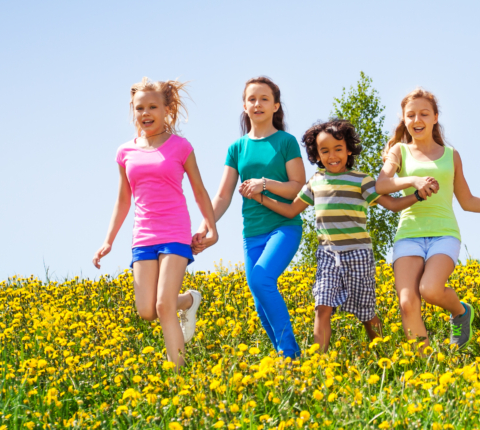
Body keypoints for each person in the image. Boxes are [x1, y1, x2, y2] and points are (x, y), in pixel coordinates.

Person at [253, 119, 420, 353]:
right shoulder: (315, 182)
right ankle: (318, 364)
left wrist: (418, 196)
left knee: (366, 312)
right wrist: (262, 197)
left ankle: (383, 354)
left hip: (359, 255)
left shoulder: (362, 180)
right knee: (322, 306)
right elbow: (291, 210)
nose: (332, 155)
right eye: (325, 151)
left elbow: (392, 205)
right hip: (328, 255)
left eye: (338, 149)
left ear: (349, 150)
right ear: (317, 155)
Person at [92, 78, 217, 368]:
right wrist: (108, 240)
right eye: (139, 108)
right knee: (147, 310)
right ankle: (188, 300)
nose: (145, 113)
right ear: (133, 112)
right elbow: (123, 199)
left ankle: (179, 377)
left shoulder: (180, 146)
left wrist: (211, 226)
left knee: (163, 306)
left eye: (152, 107)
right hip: (143, 237)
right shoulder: (125, 152)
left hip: (174, 232)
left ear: (166, 109)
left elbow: (199, 190)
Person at [375, 88, 480, 349]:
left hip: (444, 233)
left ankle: (460, 312)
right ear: (404, 119)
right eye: (410, 115)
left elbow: (467, 201)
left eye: (424, 114)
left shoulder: (450, 155)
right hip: (408, 234)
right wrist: (413, 180)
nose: (417, 120)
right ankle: (424, 368)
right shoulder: (399, 151)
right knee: (407, 302)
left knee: (431, 290)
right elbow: (381, 185)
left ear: (435, 117)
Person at [208, 77, 306, 359]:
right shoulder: (236, 148)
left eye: (264, 99)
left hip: (283, 228)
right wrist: (207, 224)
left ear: (276, 106)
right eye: (252, 99)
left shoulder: (285, 142)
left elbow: (298, 186)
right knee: (259, 300)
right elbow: (223, 196)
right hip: (252, 233)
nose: (257, 104)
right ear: (244, 106)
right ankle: (284, 359)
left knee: (262, 279)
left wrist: (264, 184)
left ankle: (291, 355)